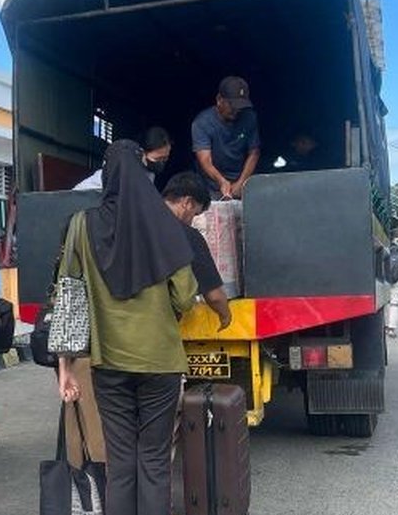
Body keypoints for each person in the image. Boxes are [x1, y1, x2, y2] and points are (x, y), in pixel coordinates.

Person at [56, 139, 198, 515]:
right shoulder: (167, 224)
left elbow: (70, 297)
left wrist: (65, 367)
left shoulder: (81, 225)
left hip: (109, 365)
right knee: (154, 467)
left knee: (120, 468)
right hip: (160, 365)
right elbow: (182, 296)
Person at [162, 172, 232, 329]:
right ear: (187, 202)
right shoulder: (186, 234)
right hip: (159, 323)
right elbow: (214, 296)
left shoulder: (134, 223)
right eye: (195, 214)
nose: (192, 220)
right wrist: (225, 315)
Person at [192, 76, 261, 199]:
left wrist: (241, 183)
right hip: (211, 185)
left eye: (240, 106)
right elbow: (205, 160)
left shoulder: (249, 117)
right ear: (219, 99)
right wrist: (222, 181)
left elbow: (254, 152)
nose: (236, 110)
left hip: (241, 180)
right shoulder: (202, 122)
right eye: (232, 105)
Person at [74, 126, 173, 191]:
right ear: (142, 153)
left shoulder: (150, 173)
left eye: (165, 159)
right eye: (159, 158)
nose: (161, 163)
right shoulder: (124, 167)